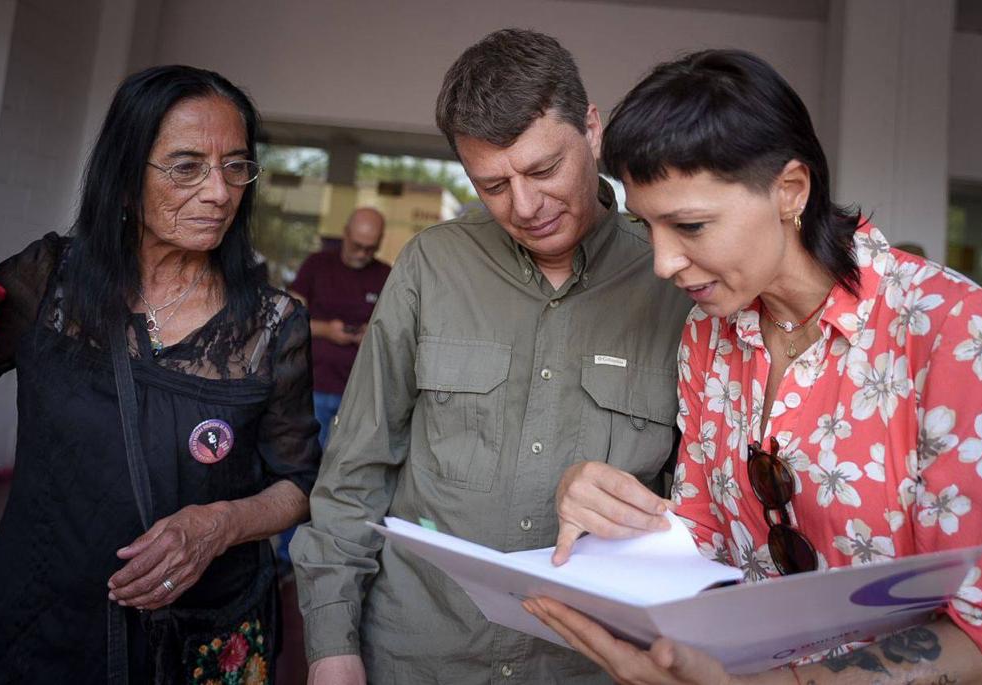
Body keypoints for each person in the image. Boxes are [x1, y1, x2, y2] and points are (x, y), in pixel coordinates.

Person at [531, 49, 982, 684]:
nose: (663, 263)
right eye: (648, 226)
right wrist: (611, 519)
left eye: (691, 225)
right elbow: (704, 536)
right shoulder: (709, 330)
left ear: (790, 191)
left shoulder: (946, 324)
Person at [290, 28, 692, 685]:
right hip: (418, 655)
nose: (525, 206)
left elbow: (704, 507)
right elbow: (356, 468)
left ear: (592, 130)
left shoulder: (674, 279)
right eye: (493, 185)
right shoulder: (430, 266)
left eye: (542, 170)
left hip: (588, 666)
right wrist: (331, 647)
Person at [0, 65, 321, 683]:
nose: (220, 193)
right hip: (39, 621)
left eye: (235, 166)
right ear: (123, 178)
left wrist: (218, 525)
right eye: (187, 166)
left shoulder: (273, 324)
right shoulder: (49, 282)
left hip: (196, 639)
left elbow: (298, 485)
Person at [290, 206, 390, 449]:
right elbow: (288, 320)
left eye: (370, 248)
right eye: (357, 245)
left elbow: (397, 333)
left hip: (361, 391)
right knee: (306, 461)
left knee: (346, 466)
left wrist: (373, 334)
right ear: (345, 234)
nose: (362, 253)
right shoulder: (317, 264)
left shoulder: (386, 274)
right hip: (313, 384)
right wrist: (326, 330)